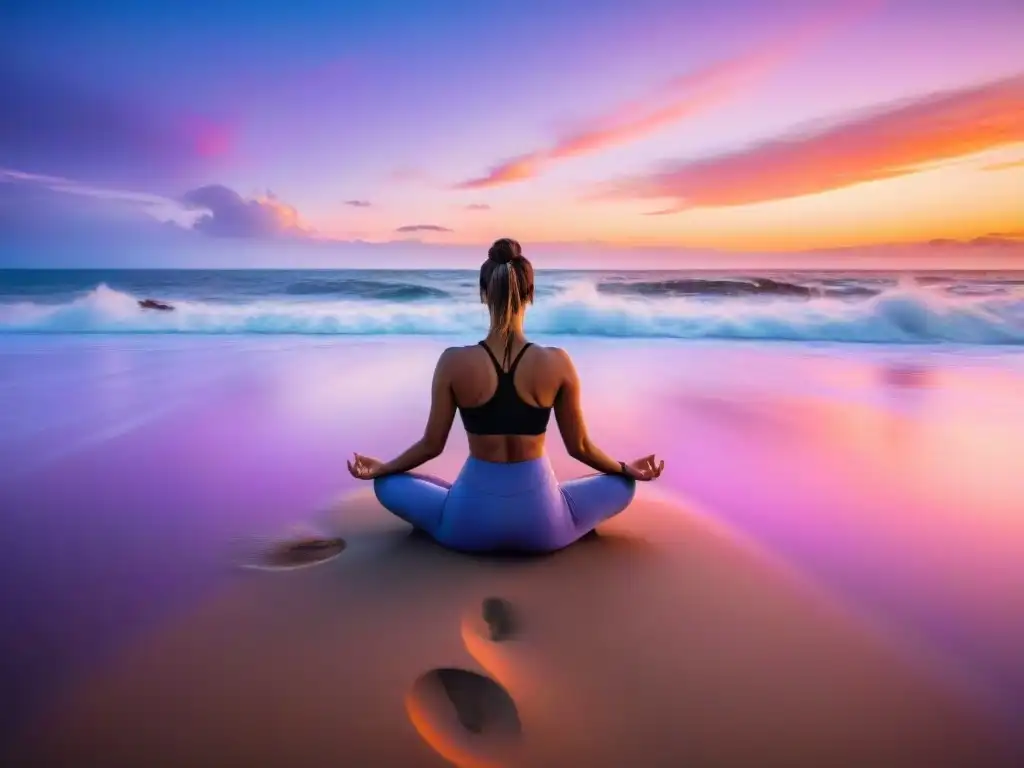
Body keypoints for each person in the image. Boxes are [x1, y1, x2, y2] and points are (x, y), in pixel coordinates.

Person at [347, 238, 664, 553]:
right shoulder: (557, 362)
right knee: (622, 485)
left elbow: (432, 445)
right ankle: (558, 509)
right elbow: (580, 448)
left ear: (484, 294)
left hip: (466, 526)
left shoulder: (453, 361)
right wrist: (625, 469)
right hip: (543, 527)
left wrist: (384, 468)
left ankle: (453, 500)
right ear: (530, 294)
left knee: (388, 484)